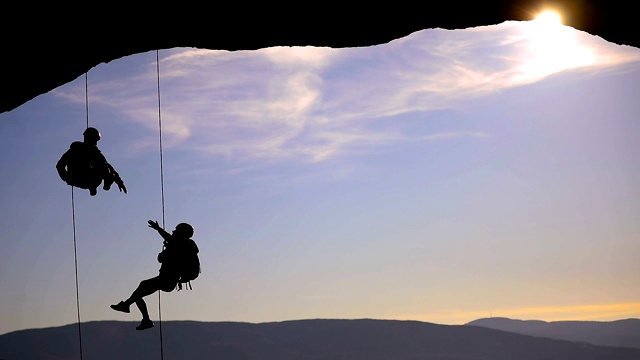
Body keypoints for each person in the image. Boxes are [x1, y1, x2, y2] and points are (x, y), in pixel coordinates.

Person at [110, 220, 198, 331]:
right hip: (168, 279)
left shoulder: (181, 245)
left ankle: (130, 308)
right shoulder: (183, 245)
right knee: (140, 291)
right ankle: (140, 315)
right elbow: (169, 239)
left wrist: (159, 231)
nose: (174, 231)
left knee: (141, 288)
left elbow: (169, 241)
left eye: (176, 230)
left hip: (168, 279)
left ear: (182, 233)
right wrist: (159, 231)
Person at [56, 127, 127, 196]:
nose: (95, 143)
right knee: (103, 167)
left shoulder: (94, 152)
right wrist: (66, 177)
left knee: (103, 166)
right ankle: (94, 185)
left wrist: (119, 182)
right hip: (77, 179)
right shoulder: (75, 150)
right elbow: (60, 165)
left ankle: (95, 185)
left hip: (88, 179)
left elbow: (107, 166)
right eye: (95, 140)